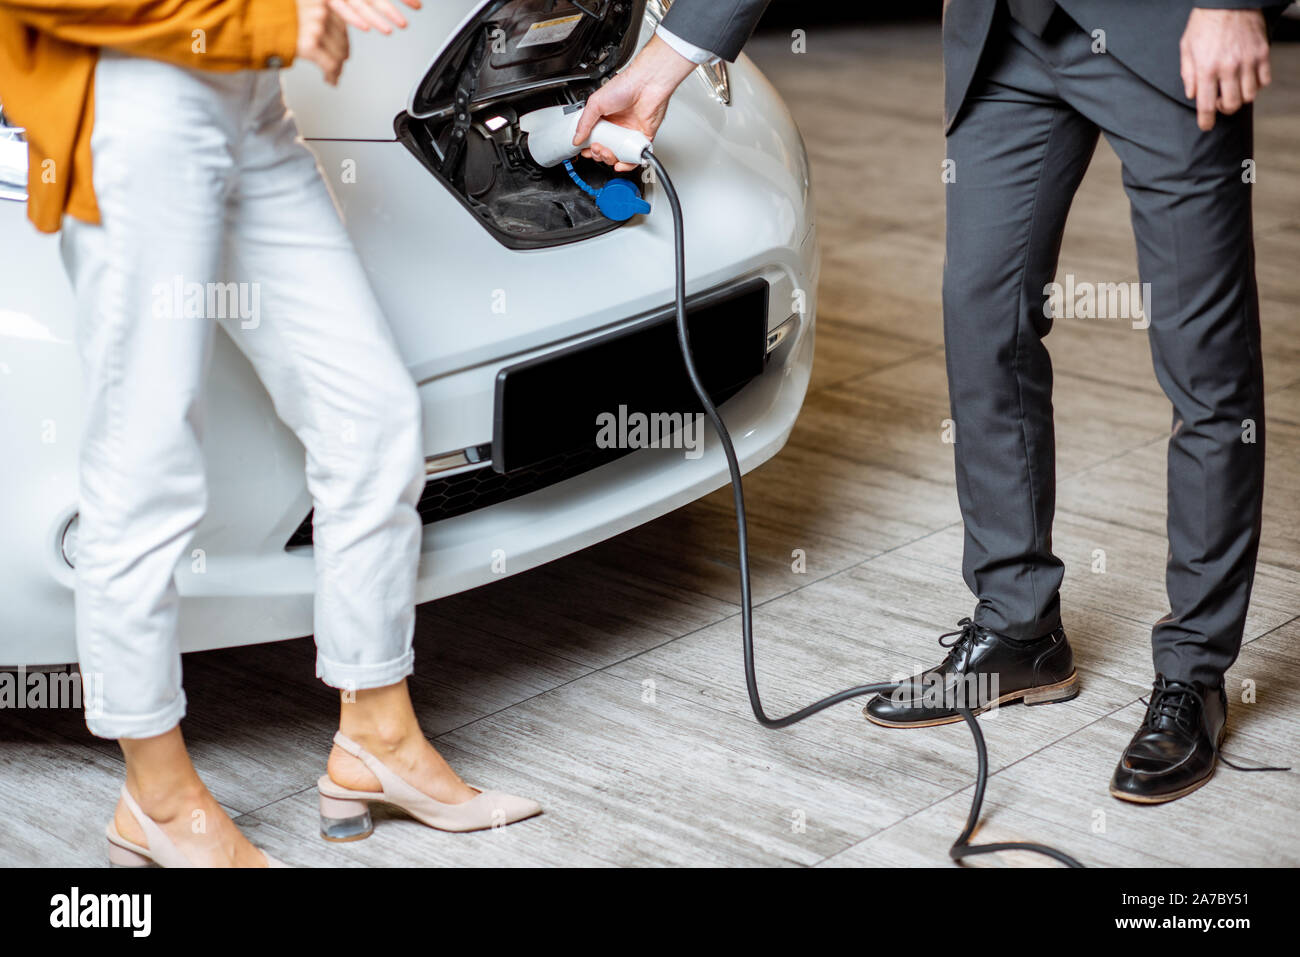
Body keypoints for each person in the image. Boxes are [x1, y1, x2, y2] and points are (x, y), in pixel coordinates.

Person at [0, 0, 539, 867]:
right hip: (135, 106)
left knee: (370, 417)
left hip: (247, 100)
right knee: (147, 470)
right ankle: (157, 799)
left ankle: (377, 740)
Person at [860, 0, 1288, 805]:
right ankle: (1020, 628)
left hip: (1164, 26)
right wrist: (676, 55)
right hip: (1006, 32)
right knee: (982, 315)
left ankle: (1193, 672)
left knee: (1204, 360)